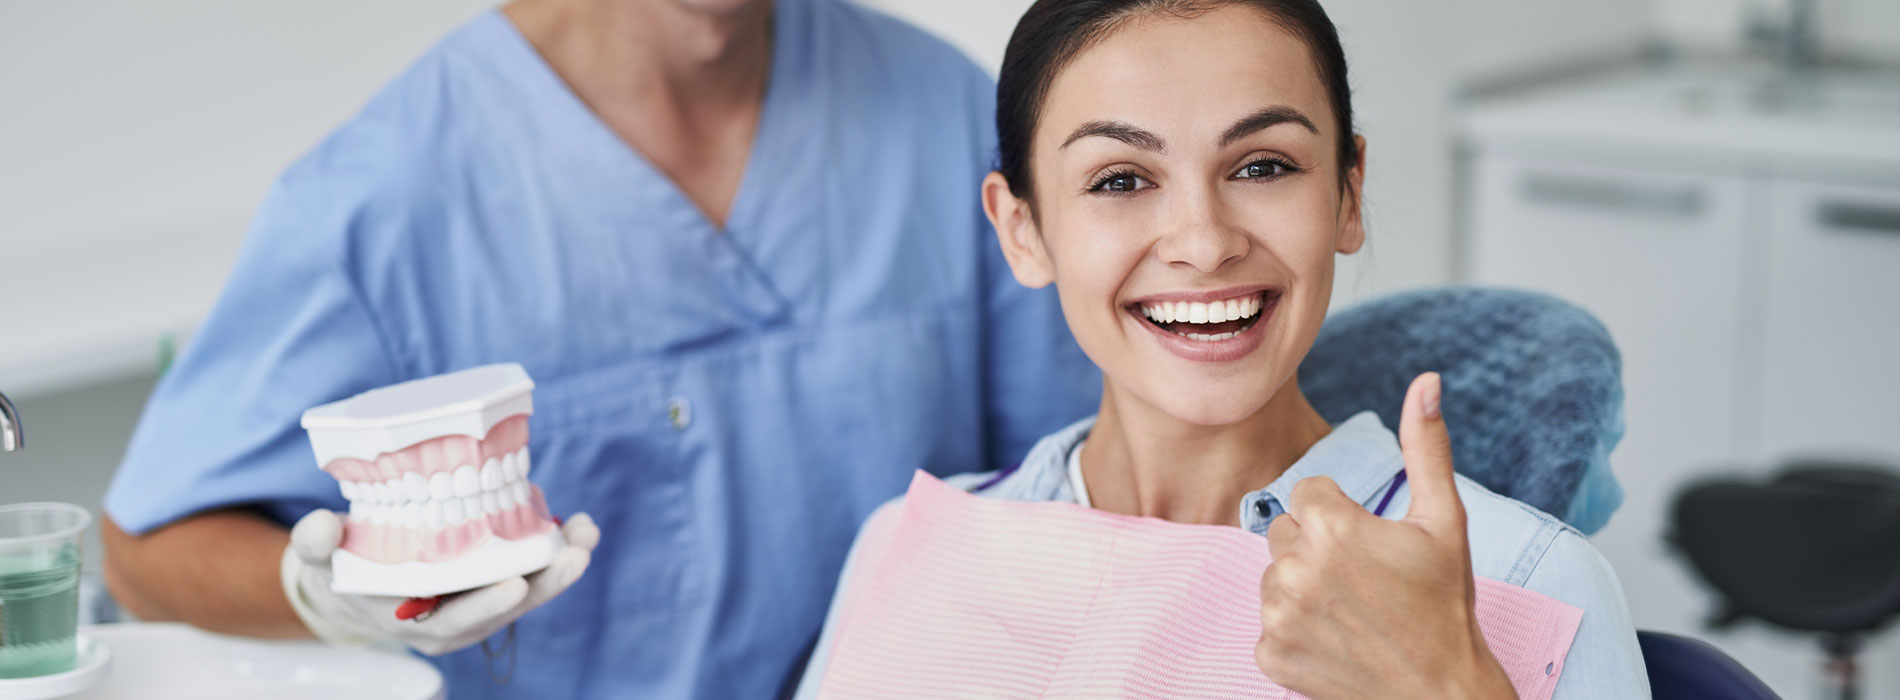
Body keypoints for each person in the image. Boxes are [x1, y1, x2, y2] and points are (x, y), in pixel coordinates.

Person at [97, 0, 1099, 697]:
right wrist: (330, 594)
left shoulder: (945, 113)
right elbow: (144, 547)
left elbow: (1078, 481)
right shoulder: (386, 192)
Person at [793, 0, 1650, 696]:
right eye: (1120, 180)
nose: (1203, 242)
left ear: (1349, 194)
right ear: (1023, 230)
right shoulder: (904, 549)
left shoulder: (1530, 581)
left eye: (1264, 166)